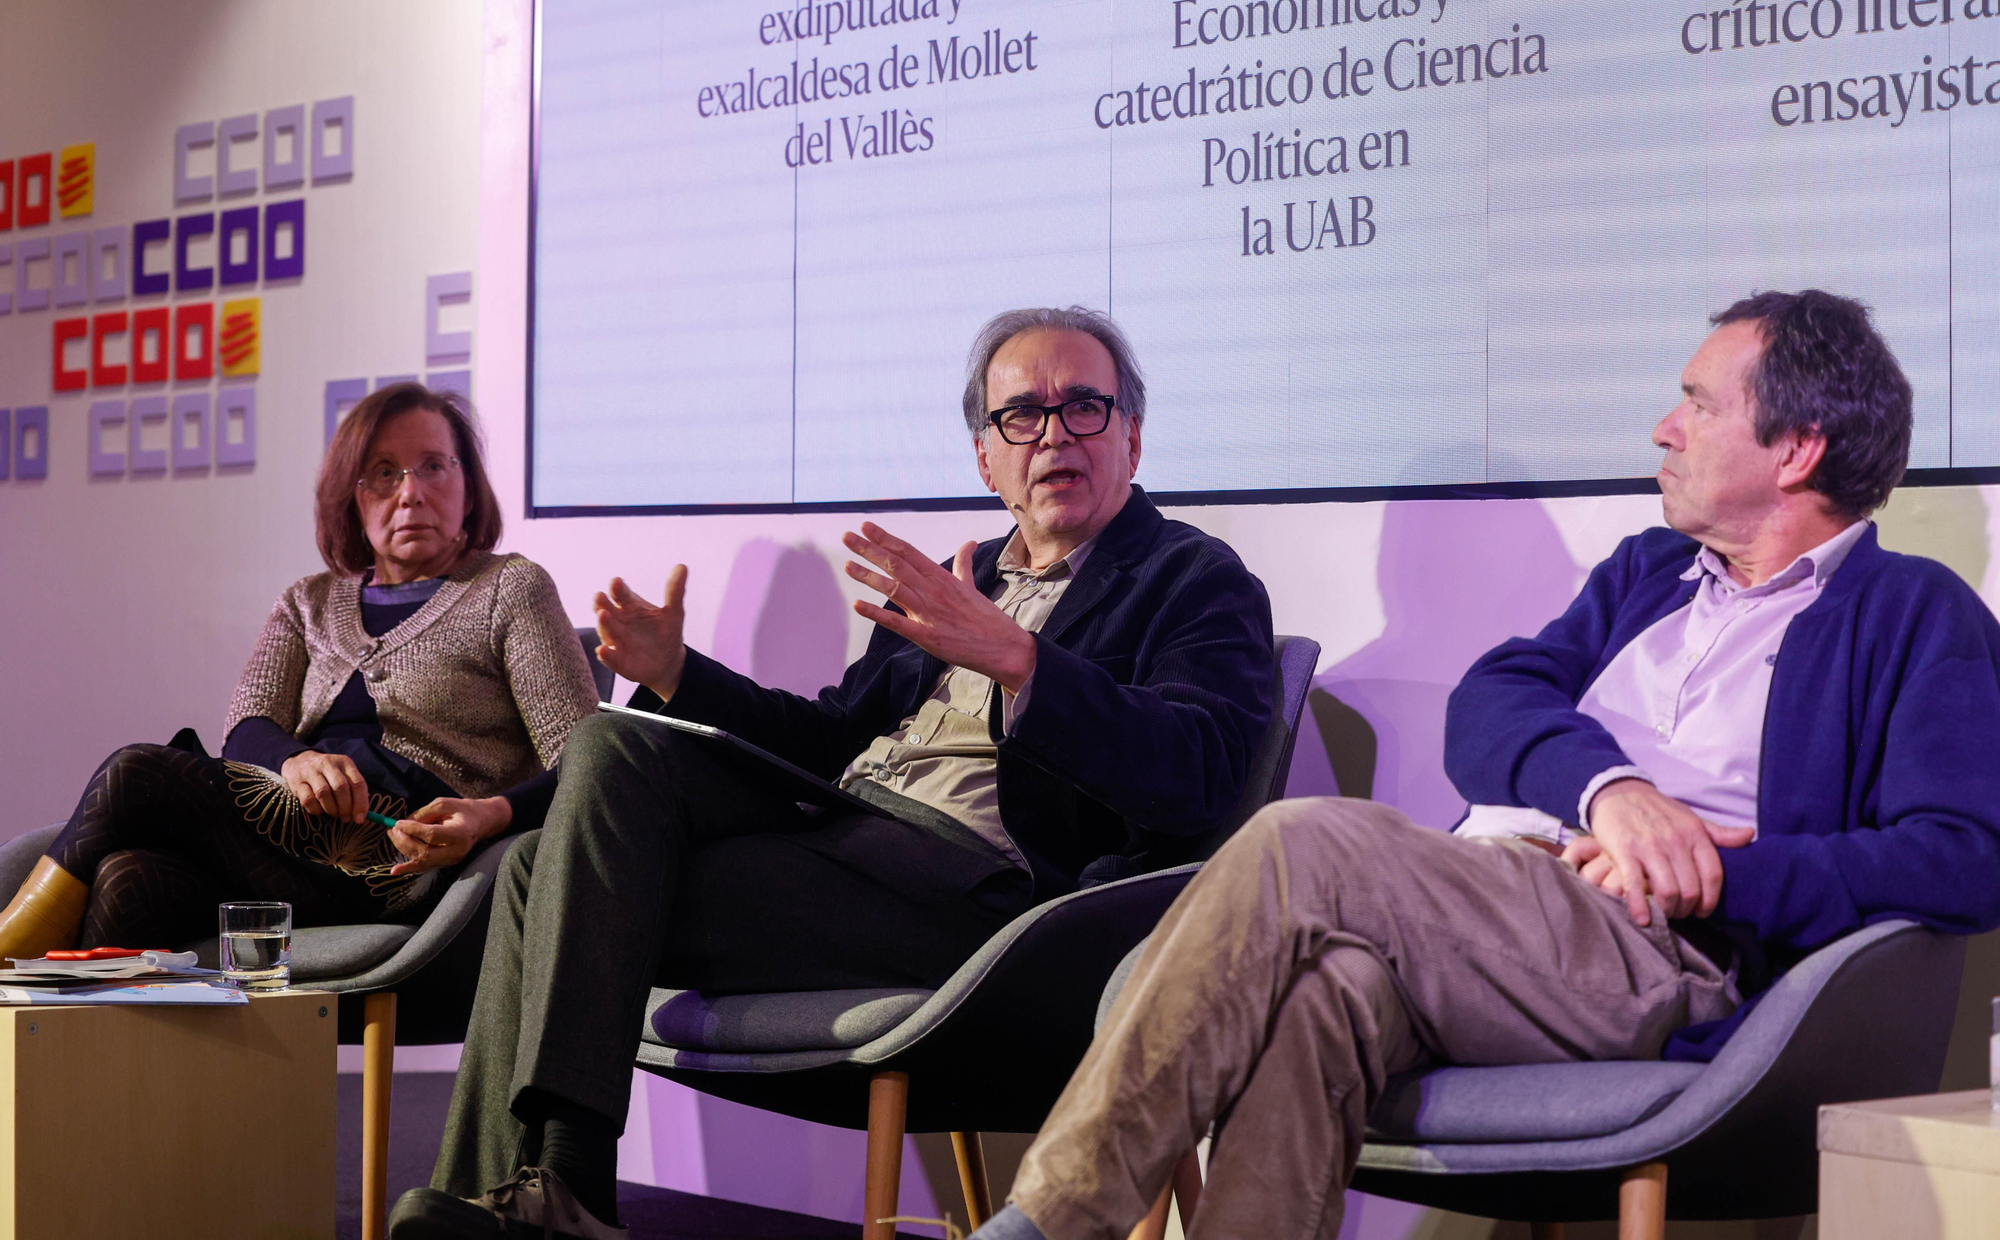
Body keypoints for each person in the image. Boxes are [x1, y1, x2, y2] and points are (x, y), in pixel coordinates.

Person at [964, 290, 2000, 1240]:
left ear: (1795, 446)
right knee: (1323, 997)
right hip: (1489, 915)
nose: (1661, 427)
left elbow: (1958, 857)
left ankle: (1051, 1221)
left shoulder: (1911, 613)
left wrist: (1723, 871)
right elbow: (1490, 703)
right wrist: (1614, 790)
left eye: (1696, 402)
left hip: (1659, 948)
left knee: (1301, 838)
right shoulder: (1649, 573)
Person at [389, 307, 1277, 1240]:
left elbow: (1202, 772)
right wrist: (677, 676)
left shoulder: (1193, 579)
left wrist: (1023, 661)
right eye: (1023, 415)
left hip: (987, 908)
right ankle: (530, 1203)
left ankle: (562, 1196)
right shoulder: (960, 578)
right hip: (845, 846)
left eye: (1085, 407)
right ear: (987, 458)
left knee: (556, 875)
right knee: (585, 789)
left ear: (1131, 435)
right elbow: (827, 739)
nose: (1054, 432)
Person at [0, 383, 600, 957]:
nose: (411, 492)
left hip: (407, 856)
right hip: (291, 840)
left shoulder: (511, 588)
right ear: (353, 497)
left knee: (138, 772)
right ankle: (80, 1062)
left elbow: (589, 761)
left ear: (469, 487)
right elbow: (247, 728)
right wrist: (296, 761)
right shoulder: (306, 601)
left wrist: (491, 814)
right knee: (128, 880)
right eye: (384, 472)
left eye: (434, 466)